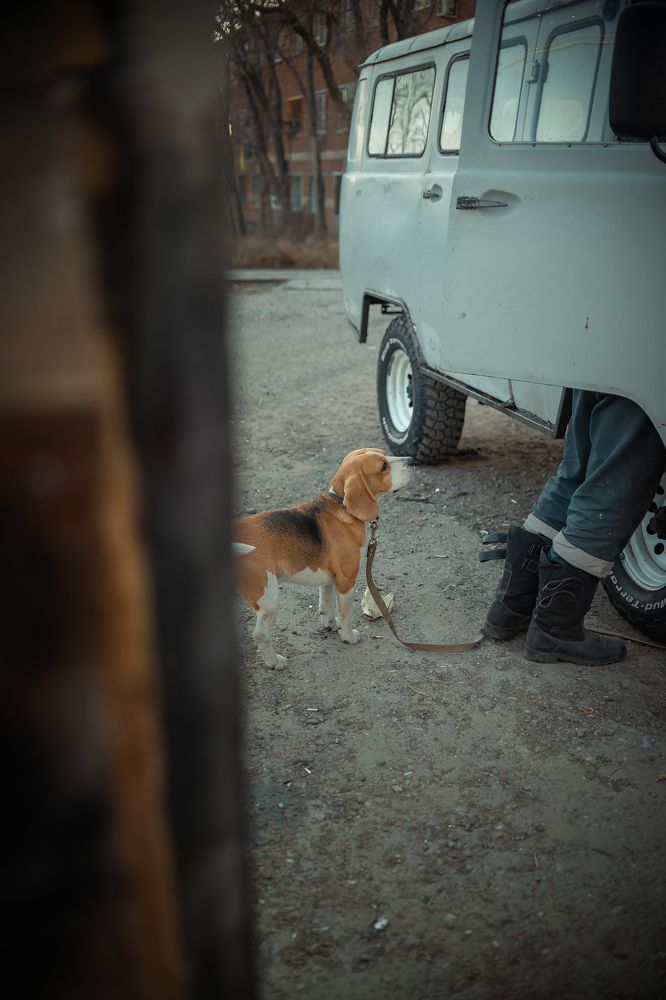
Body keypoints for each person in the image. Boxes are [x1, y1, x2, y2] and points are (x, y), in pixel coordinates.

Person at [482, 390, 666, 665]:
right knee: (613, 485)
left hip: (595, 359)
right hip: (644, 367)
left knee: (577, 472)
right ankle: (555, 631)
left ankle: (511, 608)